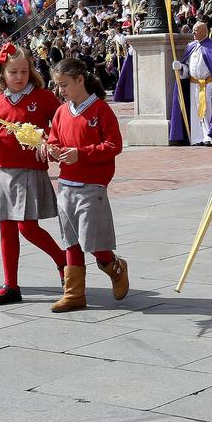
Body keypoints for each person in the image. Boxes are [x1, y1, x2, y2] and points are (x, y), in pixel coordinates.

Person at [0, 42, 66, 307]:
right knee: (7, 228)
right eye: (13, 72)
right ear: (2, 73)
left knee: (27, 226)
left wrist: (49, 142)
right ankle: (10, 284)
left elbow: (60, 123)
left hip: (30, 170)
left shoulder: (42, 97)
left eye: (24, 71)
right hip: (3, 170)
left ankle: (62, 261)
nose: (19, 76)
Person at [44, 57, 128, 312]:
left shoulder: (101, 109)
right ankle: (74, 293)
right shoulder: (61, 111)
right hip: (66, 184)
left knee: (94, 242)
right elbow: (55, 141)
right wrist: (49, 150)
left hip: (92, 185)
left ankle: (113, 266)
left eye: (64, 84)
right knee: (70, 240)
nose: (60, 90)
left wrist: (82, 152)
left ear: (80, 80)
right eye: (58, 85)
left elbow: (114, 145)